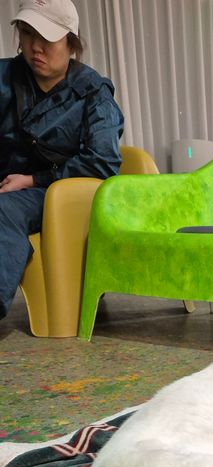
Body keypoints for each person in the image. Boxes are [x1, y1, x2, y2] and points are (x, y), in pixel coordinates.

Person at [0, 0, 124, 320]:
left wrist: (33, 180)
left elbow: (103, 162)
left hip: (57, 191)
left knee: (4, 210)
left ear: (71, 43)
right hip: (7, 182)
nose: (35, 47)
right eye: (27, 33)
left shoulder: (93, 93)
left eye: (47, 38)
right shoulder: (6, 76)